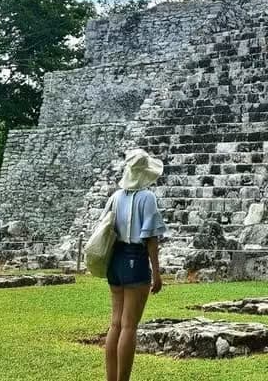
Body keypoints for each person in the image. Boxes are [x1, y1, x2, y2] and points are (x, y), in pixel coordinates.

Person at [104, 148, 166, 381]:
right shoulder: (147, 198)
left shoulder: (115, 197)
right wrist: (157, 274)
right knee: (129, 326)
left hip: (116, 260)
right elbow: (151, 240)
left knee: (115, 324)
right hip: (135, 259)